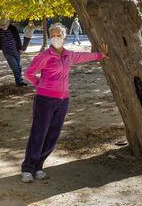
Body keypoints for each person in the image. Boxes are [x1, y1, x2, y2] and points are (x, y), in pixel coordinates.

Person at [21, 23, 109, 183]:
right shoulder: (45, 56)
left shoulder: (69, 55)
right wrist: (40, 83)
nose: (55, 38)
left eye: (58, 36)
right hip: (45, 100)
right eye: (53, 36)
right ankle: (28, 168)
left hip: (63, 100)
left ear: (64, 37)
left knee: (53, 135)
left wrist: (100, 55)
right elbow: (28, 73)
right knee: (39, 133)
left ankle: (39, 166)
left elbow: (83, 57)